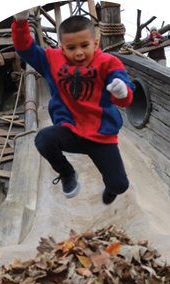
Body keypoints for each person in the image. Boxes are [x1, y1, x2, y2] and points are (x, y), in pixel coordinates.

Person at [12, 12, 135, 204]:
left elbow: (125, 99)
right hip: (70, 131)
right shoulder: (51, 60)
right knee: (43, 138)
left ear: (95, 43)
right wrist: (20, 22)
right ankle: (67, 172)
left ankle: (111, 188)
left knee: (120, 185)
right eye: (71, 48)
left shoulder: (109, 63)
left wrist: (122, 92)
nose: (78, 53)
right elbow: (25, 49)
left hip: (101, 135)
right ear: (61, 48)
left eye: (84, 46)